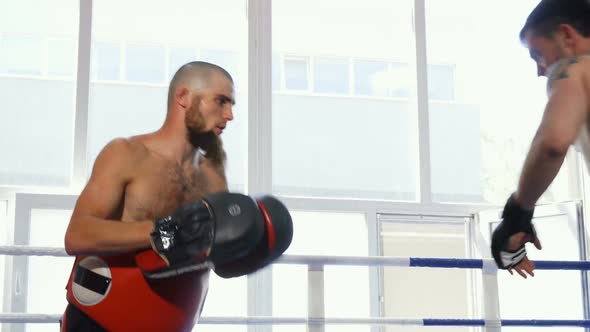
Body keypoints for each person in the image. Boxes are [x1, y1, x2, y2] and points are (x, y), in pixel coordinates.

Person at [61, 61, 293, 331]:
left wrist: (253, 250)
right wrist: (165, 230)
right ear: (183, 97)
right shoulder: (126, 154)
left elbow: (215, 259)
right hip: (100, 325)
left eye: (231, 105)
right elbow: (77, 235)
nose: (229, 115)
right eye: (221, 101)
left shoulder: (213, 175)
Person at [491, 0, 590, 278]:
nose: (540, 70)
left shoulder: (576, 68)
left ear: (566, 35)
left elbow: (553, 144)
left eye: (538, 54)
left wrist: (517, 215)